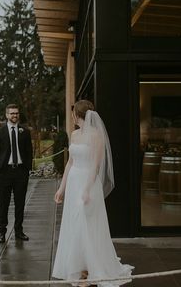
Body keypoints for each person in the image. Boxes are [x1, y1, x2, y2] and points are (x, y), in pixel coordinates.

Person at [52, 100, 133, 286]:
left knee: (88, 225)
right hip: (73, 182)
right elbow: (70, 163)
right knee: (75, 225)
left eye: (73, 113)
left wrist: (87, 190)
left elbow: (96, 167)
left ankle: (92, 271)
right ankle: (80, 267)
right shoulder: (74, 134)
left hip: (88, 183)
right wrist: (61, 188)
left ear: (78, 115)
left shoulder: (96, 136)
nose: (72, 116)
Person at [0, 104, 33, 243]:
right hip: (4, 173)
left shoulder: (25, 132)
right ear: (7, 115)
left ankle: (19, 231)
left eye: (16, 113)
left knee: (20, 203)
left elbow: (29, 152)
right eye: (12, 113)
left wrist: (28, 169)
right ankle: (1, 232)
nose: (15, 115)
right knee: (4, 203)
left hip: (21, 172)